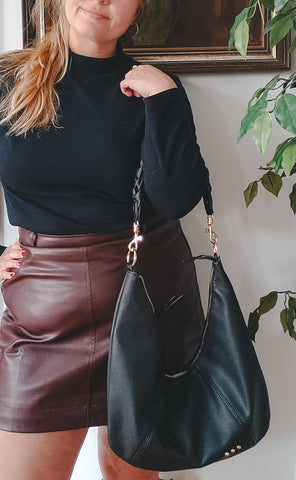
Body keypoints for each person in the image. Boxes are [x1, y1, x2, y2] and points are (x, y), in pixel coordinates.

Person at [0, 1, 210, 479]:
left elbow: (176, 199)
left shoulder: (153, 86)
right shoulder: (7, 80)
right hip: (42, 321)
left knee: (127, 474)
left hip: (142, 303)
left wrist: (164, 99)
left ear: (137, 12)